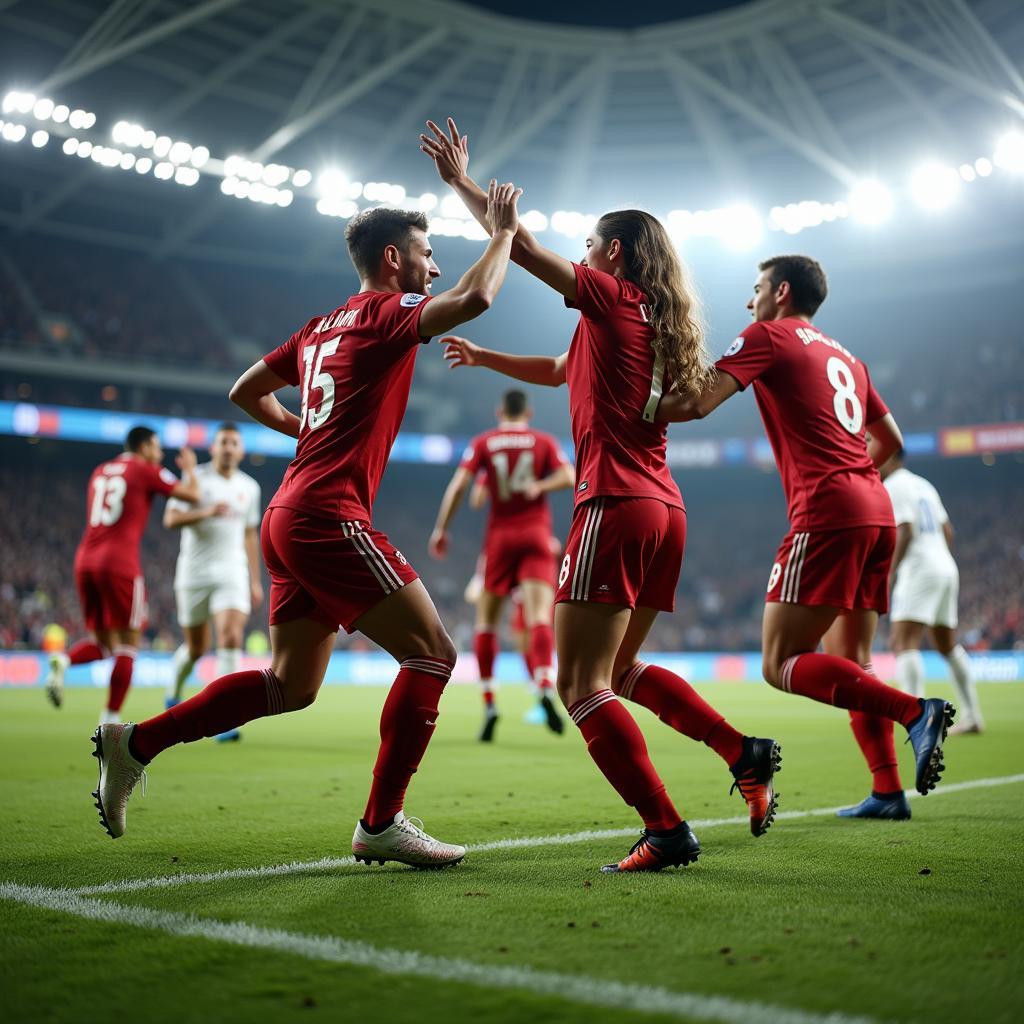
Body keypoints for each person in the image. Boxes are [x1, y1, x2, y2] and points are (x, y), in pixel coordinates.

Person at [90, 185, 524, 868]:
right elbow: (476, 299)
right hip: (327, 515)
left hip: (286, 513)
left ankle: (134, 743)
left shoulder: (320, 327)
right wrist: (502, 234)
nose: (434, 267)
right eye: (426, 254)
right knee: (433, 654)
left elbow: (244, 391)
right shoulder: (386, 313)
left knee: (291, 686)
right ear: (393, 260)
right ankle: (381, 822)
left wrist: (303, 429)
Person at [422, 117, 780, 873]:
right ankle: (741, 751)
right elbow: (560, 370)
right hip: (664, 510)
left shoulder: (610, 295)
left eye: (590, 242)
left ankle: (667, 829)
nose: (583, 253)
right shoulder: (645, 321)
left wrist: (461, 183)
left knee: (576, 683)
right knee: (617, 674)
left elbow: (517, 248)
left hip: (613, 503)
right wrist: (489, 358)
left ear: (613, 253)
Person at [657, 254, 955, 822]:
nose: (751, 301)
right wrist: (850, 473)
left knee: (780, 661)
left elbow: (696, 403)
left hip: (829, 512)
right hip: (875, 508)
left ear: (782, 291)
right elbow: (891, 442)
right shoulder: (849, 357)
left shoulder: (768, 336)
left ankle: (916, 712)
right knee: (854, 659)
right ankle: (888, 792)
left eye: (757, 288)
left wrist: (635, 406)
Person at [429, 388, 573, 740]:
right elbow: (569, 477)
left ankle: (490, 701)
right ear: (529, 412)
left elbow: (466, 492)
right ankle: (542, 684)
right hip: (538, 536)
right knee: (540, 617)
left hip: (500, 539)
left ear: (499, 411)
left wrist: (441, 529)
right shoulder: (542, 441)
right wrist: (539, 484)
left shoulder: (484, 442)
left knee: (487, 623)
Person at [45, 426, 199, 722]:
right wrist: (190, 470)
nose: (160, 454)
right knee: (128, 645)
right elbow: (191, 494)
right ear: (143, 447)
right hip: (119, 563)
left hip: (85, 560)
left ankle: (63, 661)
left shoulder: (101, 470)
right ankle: (110, 719)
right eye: (156, 448)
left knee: (104, 644)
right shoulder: (144, 469)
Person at [164, 423, 264, 743]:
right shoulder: (196, 479)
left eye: (234, 443)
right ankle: (174, 689)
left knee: (231, 636)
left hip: (232, 572)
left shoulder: (249, 487)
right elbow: (171, 519)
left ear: (241, 451)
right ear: (213, 448)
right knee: (196, 648)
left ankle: (225, 719)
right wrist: (207, 511)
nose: (229, 448)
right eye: (223, 442)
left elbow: (250, 534)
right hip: (194, 572)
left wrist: (254, 579)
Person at [881, 450, 982, 734]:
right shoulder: (924, 484)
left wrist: (889, 572)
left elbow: (906, 531)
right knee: (947, 644)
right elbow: (948, 531)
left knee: (902, 642)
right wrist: (939, 559)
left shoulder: (894, 485)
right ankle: (973, 715)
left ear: (890, 456)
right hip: (945, 566)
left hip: (920, 568)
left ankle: (919, 720)